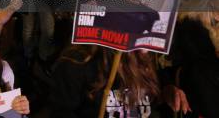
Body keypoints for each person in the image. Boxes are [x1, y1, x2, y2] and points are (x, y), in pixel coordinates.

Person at [49, 44, 190, 117]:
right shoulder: (75, 64)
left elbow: (151, 99)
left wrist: (165, 91)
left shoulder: (144, 56)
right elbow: (61, 112)